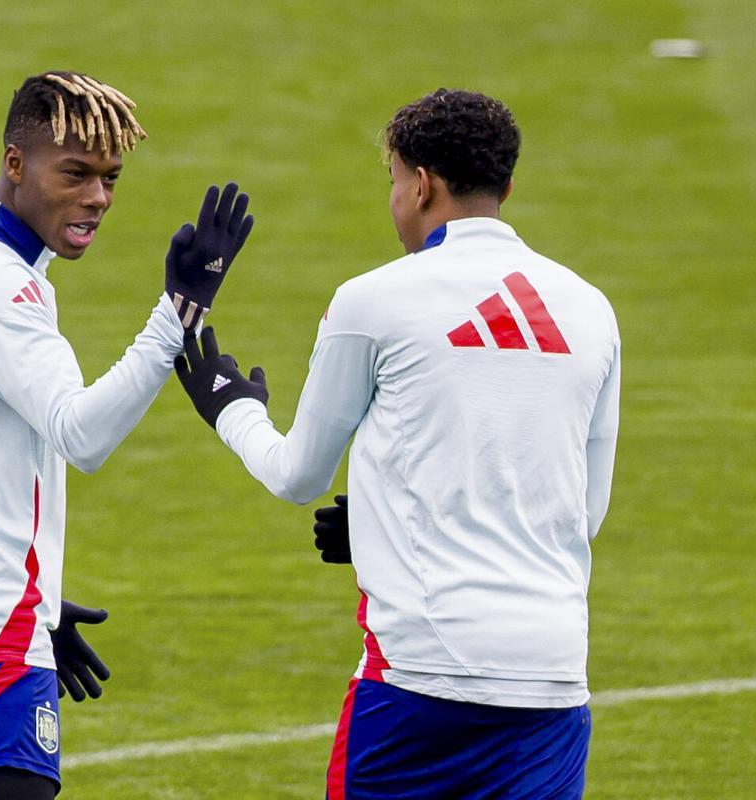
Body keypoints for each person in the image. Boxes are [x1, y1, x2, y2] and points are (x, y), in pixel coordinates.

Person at [174, 89, 620, 799]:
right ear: (505, 187)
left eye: (393, 180)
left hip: (419, 677)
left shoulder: (374, 300)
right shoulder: (592, 310)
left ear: (421, 185)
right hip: (553, 683)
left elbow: (298, 474)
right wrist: (389, 525)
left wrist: (231, 407)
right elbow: (580, 514)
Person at [0, 70, 254, 800]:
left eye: (110, 177)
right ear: (15, 163)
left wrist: (39, 603)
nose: (98, 197)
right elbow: (80, 432)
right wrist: (178, 312)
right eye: (75, 173)